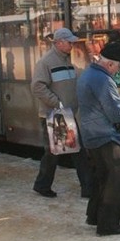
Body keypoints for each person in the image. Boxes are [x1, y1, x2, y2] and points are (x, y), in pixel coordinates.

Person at [77, 42, 120, 236]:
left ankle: (94, 215)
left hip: (91, 134)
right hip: (105, 137)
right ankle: (108, 225)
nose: (119, 70)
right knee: (115, 180)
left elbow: (99, 101)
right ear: (111, 64)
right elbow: (115, 115)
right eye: (119, 66)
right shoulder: (104, 80)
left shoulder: (88, 74)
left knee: (102, 177)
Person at [31, 27, 92, 198]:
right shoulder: (47, 62)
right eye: (69, 42)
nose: (72, 45)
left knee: (65, 152)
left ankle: (43, 184)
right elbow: (37, 87)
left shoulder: (65, 60)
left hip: (63, 113)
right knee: (64, 152)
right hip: (57, 114)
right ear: (58, 43)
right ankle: (87, 187)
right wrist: (57, 103)